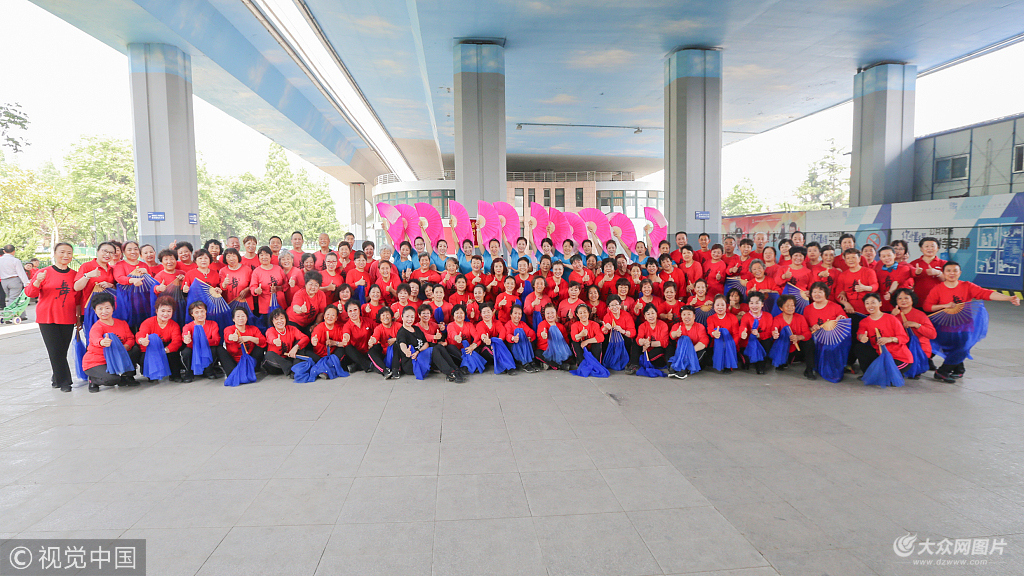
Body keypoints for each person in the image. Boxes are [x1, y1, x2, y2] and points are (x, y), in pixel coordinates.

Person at [922, 261, 1019, 381]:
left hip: (964, 325)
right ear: (943, 273)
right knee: (952, 348)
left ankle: (943, 371)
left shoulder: (967, 286)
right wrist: (944, 306)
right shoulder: (938, 289)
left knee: (962, 348)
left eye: (955, 270)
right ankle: (959, 370)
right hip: (945, 325)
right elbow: (927, 307)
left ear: (960, 273)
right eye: (948, 271)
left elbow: (986, 293)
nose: (952, 273)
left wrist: (1008, 298)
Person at [24, 243, 79, 392]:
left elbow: (78, 298)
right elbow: (30, 293)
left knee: (61, 351)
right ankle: (65, 382)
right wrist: (37, 281)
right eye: (62, 252)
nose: (66, 255)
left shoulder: (75, 275)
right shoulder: (43, 272)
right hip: (47, 317)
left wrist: (79, 317)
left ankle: (56, 378)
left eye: (69, 252)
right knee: (55, 351)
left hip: (67, 317)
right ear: (54, 254)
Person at [82, 291, 141, 392]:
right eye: (100, 308)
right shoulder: (97, 327)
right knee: (113, 380)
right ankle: (93, 380)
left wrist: (125, 346)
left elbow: (130, 338)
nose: (104, 311)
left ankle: (127, 377)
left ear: (113, 308)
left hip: (116, 357)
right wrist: (102, 342)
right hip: (97, 362)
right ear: (95, 311)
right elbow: (96, 339)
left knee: (135, 349)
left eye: (107, 308)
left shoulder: (122, 323)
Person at [855, 293, 912, 376]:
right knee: (859, 347)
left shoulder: (891, 318)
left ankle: (893, 374)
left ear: (880, 303)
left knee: (883, 375)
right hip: (880, 355)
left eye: (873, 302)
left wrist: (890, 339)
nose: (870, 305)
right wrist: (861, 337)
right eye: (867, 303)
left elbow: (904, 338)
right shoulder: (864, 322)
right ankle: (867, 374)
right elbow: (860, 333)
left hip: (899, 357)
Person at [891, 288, 937, 380]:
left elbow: (932, 335)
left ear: (912, 299)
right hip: (900, 347)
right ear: (896, 301)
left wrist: (917, 325)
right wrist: (892, 316)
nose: (903, 300)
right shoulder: (894, 314)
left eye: (906, 298)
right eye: (900, 298)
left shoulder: (920, 315)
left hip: (919, 349)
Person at [137, 296, 184, 381]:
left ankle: (175, 375)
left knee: (173, 354)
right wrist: (142, 340)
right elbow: (140, 335)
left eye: (169, 311)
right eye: (163, 311)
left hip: (165, 350)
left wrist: (164, 351)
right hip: (150, 350)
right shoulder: (148, 322)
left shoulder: (174, 325)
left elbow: (177, 342)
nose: (165, 314)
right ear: (156, 311)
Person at [772, 294, 814, 379]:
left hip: (798, 346)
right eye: (787, 305)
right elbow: (773, 330)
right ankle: (782, 361)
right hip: (784, 348)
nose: (791, 308)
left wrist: (799, 337)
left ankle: (809, 370)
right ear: (781, 308)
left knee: (809, 342)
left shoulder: (800, 318)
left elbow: (807, 333)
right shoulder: (777, 319)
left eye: (792, 305)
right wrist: (775, 334)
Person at [264, 308, 315, 377]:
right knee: (269, 354)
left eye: (282, 318)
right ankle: (293, 369)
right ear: (272, 321)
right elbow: (270, 337)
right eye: (276, 319)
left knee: (299, 343)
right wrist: (275, 341)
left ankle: (294, 369)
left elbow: (305, 338)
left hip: (288, 358)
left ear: (286, 319)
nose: (280, 321)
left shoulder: (291, 329)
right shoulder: (270, 330)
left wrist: (296, 347)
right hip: (276, 365)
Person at [181, 301, 223, 381]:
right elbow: (185, 336)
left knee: (214, 349)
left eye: (202, 311)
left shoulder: (213, 324)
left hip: (206, 348)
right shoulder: (188, 326)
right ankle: (189, 373)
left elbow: (216, 340)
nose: (200, 314)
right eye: (196, 312)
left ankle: (209, 371)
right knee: (186, 352)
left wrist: (201, 342)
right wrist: (186, 339)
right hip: (193, 350)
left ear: (206, 311)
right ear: (192, 314)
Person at [220, 307, 266, 376]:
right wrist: (233, 337)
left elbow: (263, 341)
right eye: (238, 316)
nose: (241, 318)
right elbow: (228, 336)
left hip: (250, 359)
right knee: (220, 349)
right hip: (235, 361)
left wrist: (249, 338)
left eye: (243, 316)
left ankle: (253, 368)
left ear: (247, 318)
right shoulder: (229, 329)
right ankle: (234, 371)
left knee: (259, 345)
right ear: (233, 319)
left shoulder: (253, 329)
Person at [668, 306, 709, 378]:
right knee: (683, 339)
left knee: (699, 350)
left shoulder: (700, 327)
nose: (686, 317)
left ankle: (683, 368)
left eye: (689, 314)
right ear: (681, 316)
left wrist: (688, 351)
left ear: (694, 316)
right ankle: (681, 368)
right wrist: (676, 334)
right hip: (680, 353)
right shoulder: (677, 325)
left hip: (695, 352)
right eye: (684, 314)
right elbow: (671, 335)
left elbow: (704, 342)